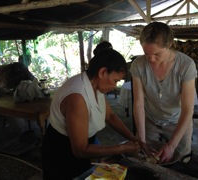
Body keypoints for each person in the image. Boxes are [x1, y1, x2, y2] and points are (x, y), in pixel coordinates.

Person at [42, 43, 140, 180]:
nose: (114, 86)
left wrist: (134, 139)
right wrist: (122, 148)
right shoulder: (77, 97)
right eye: (115, 80)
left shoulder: (95, 85)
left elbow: (110, 116)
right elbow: (80, 149)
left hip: (83, 147)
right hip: (61, 151)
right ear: (102, 72)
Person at [130, 22, 197, 164]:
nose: (151, 59)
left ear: (169, 44)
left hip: (178, 120)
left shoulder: (186, 65)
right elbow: (138, 104)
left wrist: (172, 145)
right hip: (151, 119)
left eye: (156, 54)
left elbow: (187, 109)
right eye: (146, 54)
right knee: (142, 157)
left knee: (181, 160)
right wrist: (141, 139)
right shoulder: (138, 65)